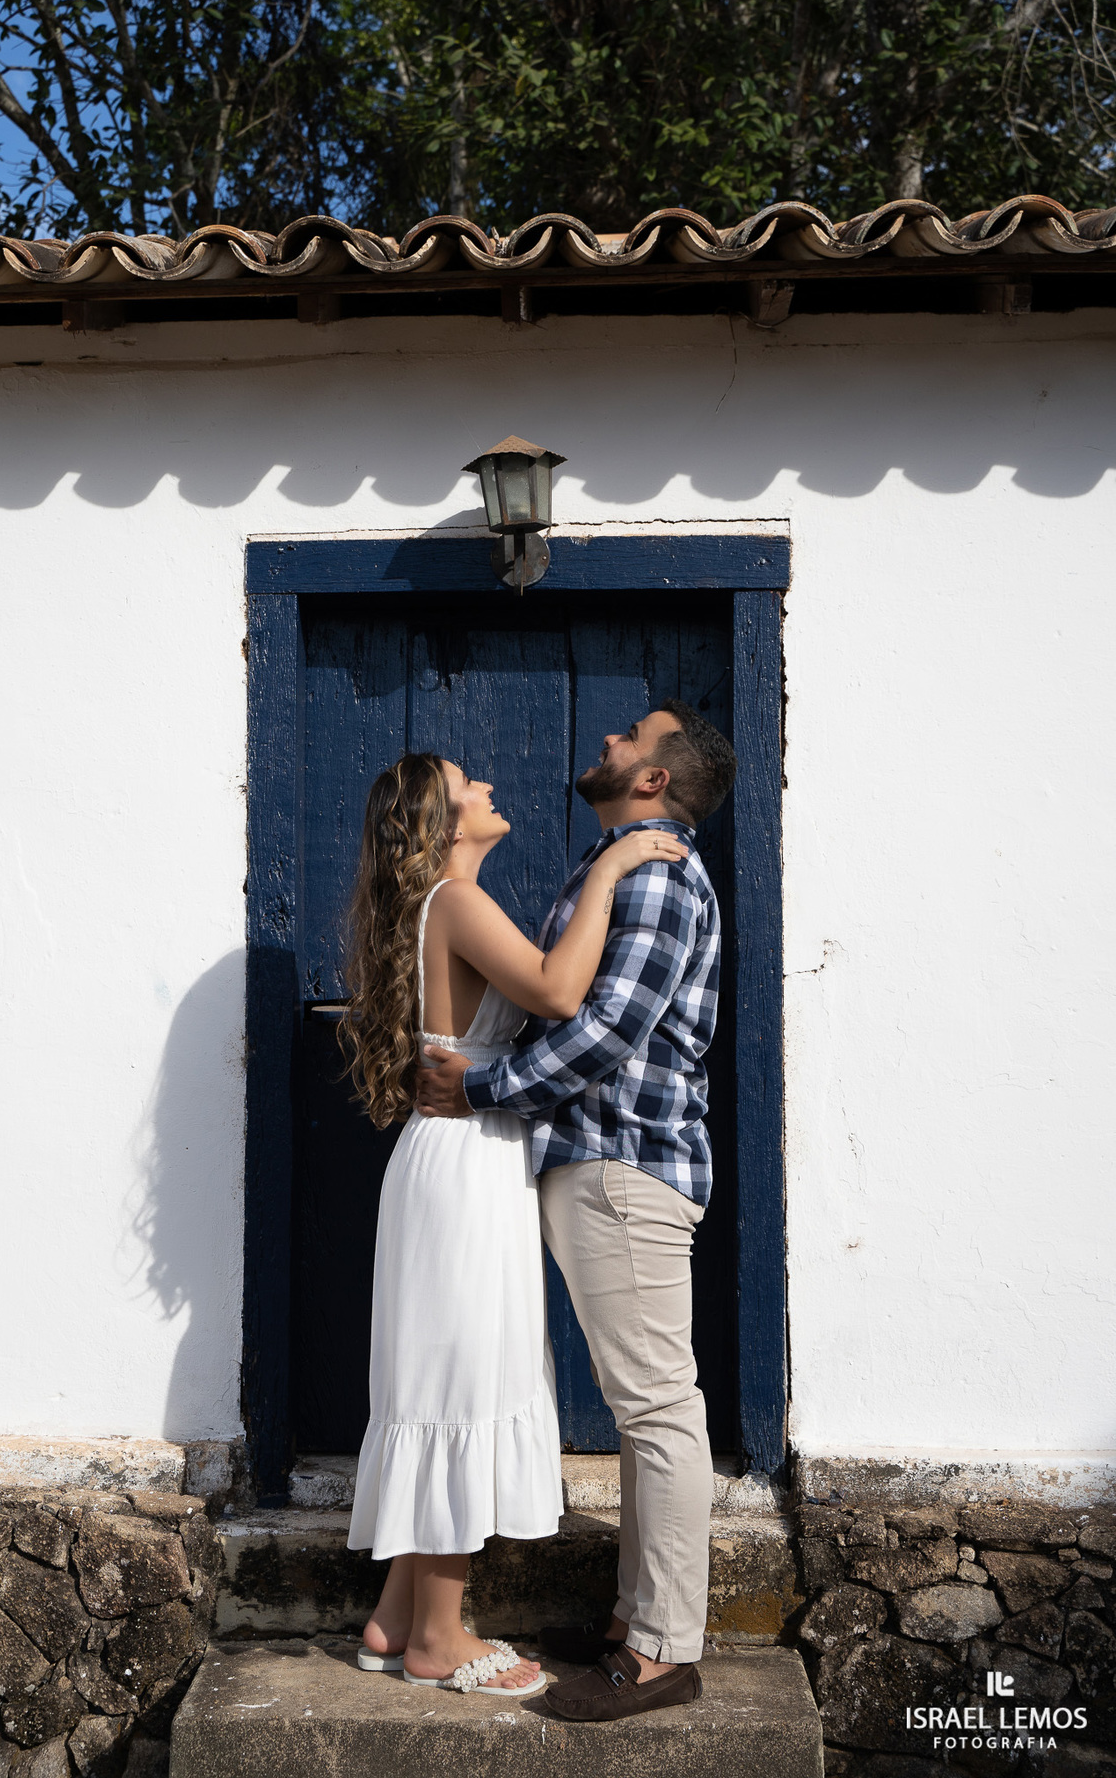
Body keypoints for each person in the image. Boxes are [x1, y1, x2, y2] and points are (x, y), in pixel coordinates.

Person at [416, 700, 736, 1722]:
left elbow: (601, 1038)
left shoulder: (655, 876)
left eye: (629, 740)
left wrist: (473, 1087)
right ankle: (634, 1624)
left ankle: (660, 1654)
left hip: (625, 1166)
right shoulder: (624, 869)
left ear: (656, 779)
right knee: (649, 1409)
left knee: (656, 1409)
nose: (605, 740)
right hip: (602, 1167)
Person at [340, 750, 684, 1696]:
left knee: (439, 1379)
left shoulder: (441, 903)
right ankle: (439, 1644)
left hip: (455, 1157)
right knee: (458, 1384)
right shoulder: (454, 899)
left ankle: (398, 1616)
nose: (491, 784)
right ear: (444, 821)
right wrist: (612, 868)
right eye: (469, 784)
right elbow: (560, 991)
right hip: (464, 1162)